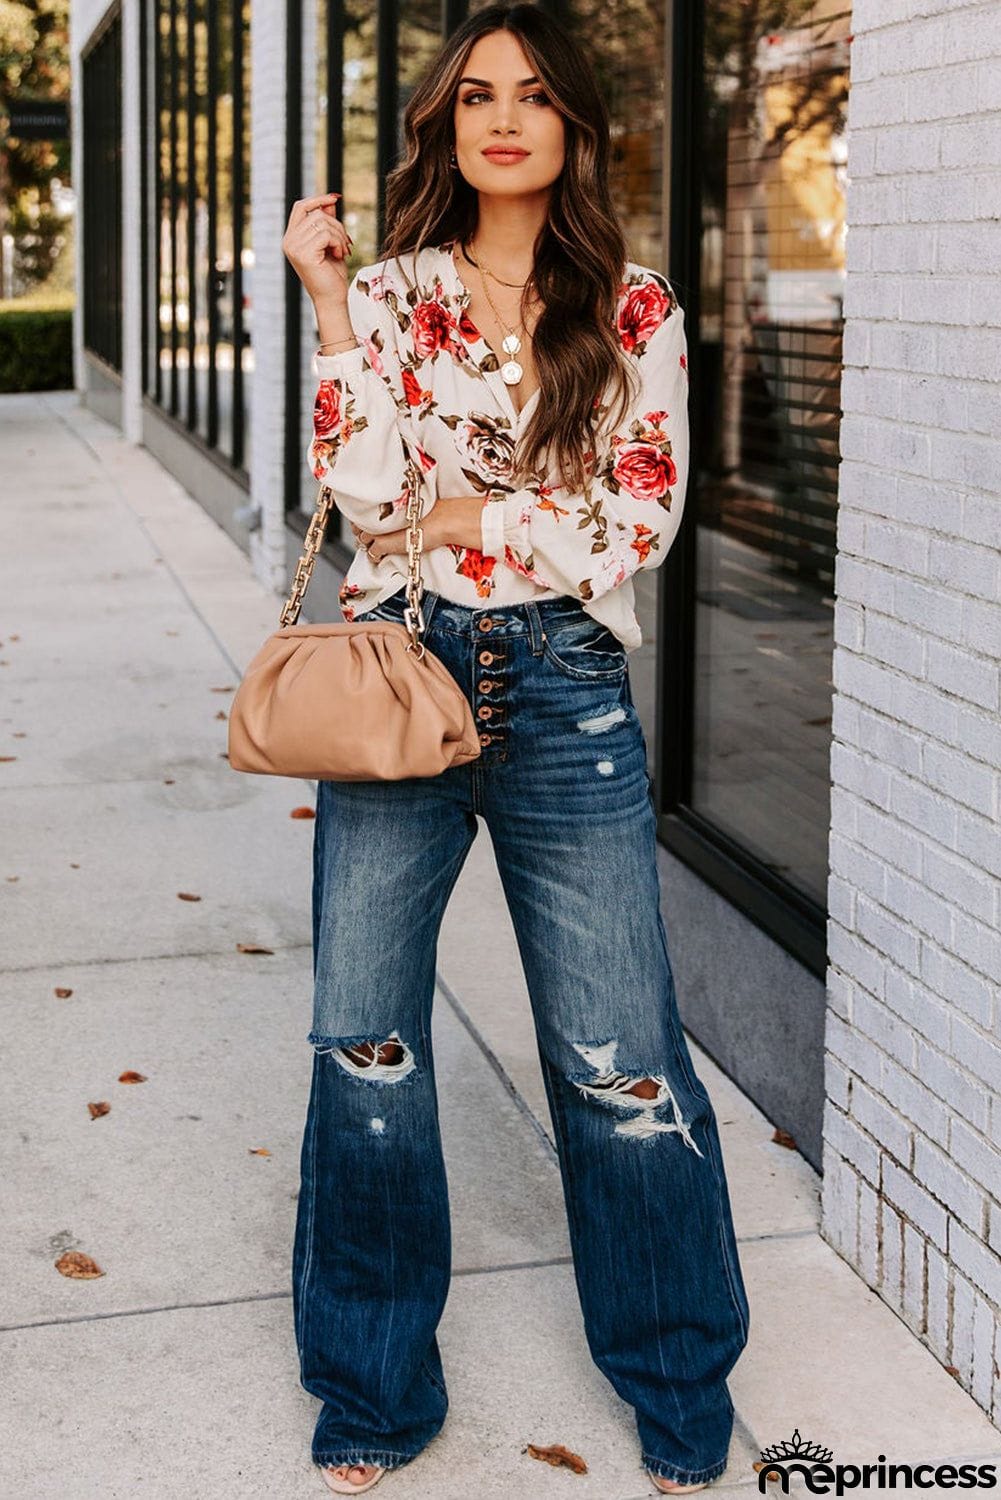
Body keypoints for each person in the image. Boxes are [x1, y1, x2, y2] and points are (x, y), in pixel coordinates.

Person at [282, 5, 749, 1495]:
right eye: (475, 94)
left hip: (562, 696)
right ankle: (370, 1385)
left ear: (574, 129)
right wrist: (330, 311)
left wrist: (466, 512)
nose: (501, 118)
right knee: (368, 1044)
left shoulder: (634, 307)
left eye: (533, 96)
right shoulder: (398, 291)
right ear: (445, 123)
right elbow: (365, 497)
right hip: (396, 678)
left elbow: (640, 517)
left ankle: (676, 1379)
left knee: (620, 1066)